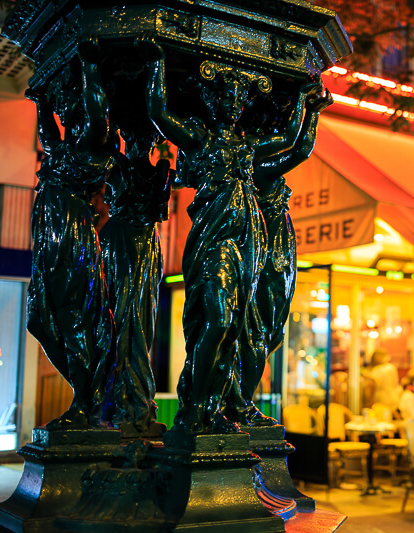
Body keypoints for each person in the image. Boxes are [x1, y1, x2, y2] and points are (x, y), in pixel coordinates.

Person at [141, 37, 323, 433]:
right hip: (214, 244)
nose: (233, 103)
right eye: (225, 95)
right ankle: (194, 406)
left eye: (238, 98)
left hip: (247, 246)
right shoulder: (200, 139)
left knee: (236, 328)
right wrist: (156, 60)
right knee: (219, 322)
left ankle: (214, 407)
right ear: (211, 100)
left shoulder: (248, 149)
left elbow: (295, 146)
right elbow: (157, 111)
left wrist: (310, 109)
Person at [25, 39, 115, 429]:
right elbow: (47, 132)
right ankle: (87, 394)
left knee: (73, 317)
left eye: (70, 103)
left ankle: (87, 400)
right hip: (50, 237)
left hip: (72, 238)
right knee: (40, 320)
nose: (66, 111)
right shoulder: (62, 148)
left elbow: (96, 115)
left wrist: (92, 70)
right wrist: (42, 100)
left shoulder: (91, 144)